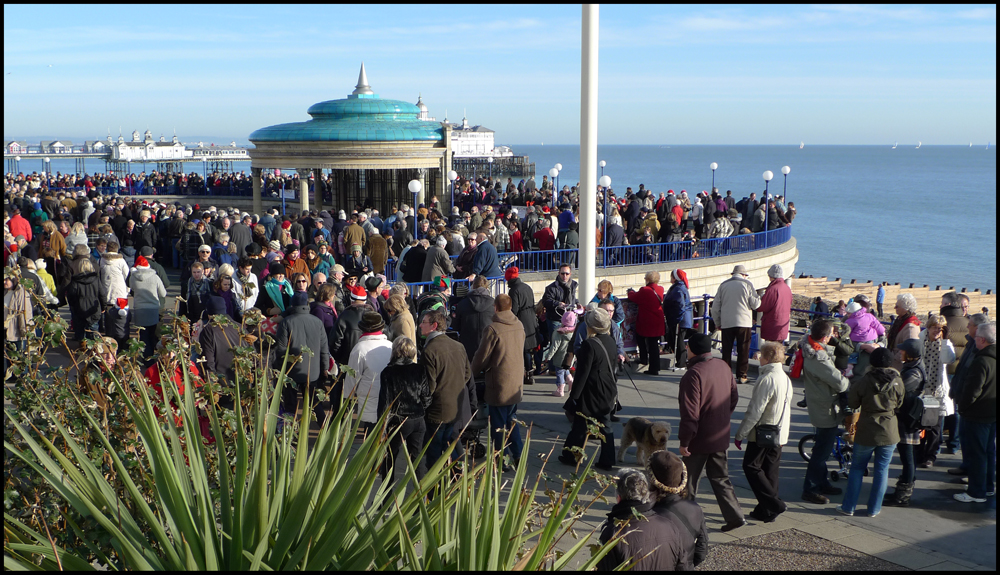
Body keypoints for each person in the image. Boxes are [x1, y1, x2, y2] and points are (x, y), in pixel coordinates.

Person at [677, 333, 746, 531]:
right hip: (720, 435)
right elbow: (733, 398)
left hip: (699, 438)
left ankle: (685, 521)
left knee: (688, 481)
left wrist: (684, 441)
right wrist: (721, 418)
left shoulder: (693, 374)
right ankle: (735, 517)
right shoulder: (723, 366)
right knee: (721, 478)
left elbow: (690, 413)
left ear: (692, 349)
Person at [837, 348, 905, 518]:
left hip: (867, 427)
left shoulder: (864, 381)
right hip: (889, 429)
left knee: (857, 469)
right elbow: (900, 403)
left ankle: (849, 506)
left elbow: (853, 402)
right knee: (882, 470)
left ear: (872, 362)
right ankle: (874, 509)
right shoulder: (898, 381)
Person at [735, 342, 793, 523]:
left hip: (764, 431)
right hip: (779, 432)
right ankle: (766, 510)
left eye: (761, 355)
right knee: (770, 470)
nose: (759, 358)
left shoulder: (767, 379)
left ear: (767, 358)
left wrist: (740, 434)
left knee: (751, 466)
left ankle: (774, 504)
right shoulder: (784, 376)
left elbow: (755, 411)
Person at [558, 308, 618, 471]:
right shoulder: (611, 341)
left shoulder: (589, 344)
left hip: (591, 390)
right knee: (606, 426)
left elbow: (582, 374)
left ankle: (572, 456)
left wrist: (574, 397)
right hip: (608, 388)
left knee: (580, 424)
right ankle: (608, 460)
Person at [799, 319, 851, 505]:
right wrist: (847, 382)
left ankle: (821, 482)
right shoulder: (818, 357)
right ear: (826, 337)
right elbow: (839, 382)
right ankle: (810, 488)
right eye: (832, 334)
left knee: (822, 446)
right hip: (825, 407)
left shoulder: (810, 350)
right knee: (821, 451)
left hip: (820, 403)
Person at [471, 294, 526, 467]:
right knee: (511, 420)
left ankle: (502, 460)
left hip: (499, 382)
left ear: (495, 307)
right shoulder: (519, 325)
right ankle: (518, 455)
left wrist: (472, 371)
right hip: (515, 381)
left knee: (498, 425)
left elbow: (482, 356)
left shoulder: (493, 329)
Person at [420, 309, 473, 465]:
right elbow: (467, 374)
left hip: (437, 409)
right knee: (451, 441)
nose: (420, 325)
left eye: (424, 322)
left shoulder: (430, 350)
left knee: (435, 449)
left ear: (434, 325)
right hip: (456, 404)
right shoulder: (458, 346)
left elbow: (429, 384)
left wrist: (423, 404)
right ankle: (457, 473)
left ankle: (434, 483)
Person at [377, 336, 432, 484]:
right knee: (417, 460)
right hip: (418, 419)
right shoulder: (420, 369)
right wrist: (419, 409)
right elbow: (427, 397)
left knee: (390, 459)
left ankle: (385, 499)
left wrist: (380, 428)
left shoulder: (388, 372)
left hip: (398, 421)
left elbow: (385, 403)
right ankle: (419, 501)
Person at [272, 291, 332, 425]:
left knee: (290, 406)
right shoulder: (317, 322)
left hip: (291, 371)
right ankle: (325, 430)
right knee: (315, 404)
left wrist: (280, 370)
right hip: (313, 371)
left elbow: (281, 350)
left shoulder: (286, 322)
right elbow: (324, 349)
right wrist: (325, 368)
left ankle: (290, 436)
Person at [953, 321, 995, 504]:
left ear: (983, 340)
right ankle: (987, 486)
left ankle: (976, 492)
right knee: (988, 451)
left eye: (976, 337)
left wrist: (962, 406)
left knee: (977, 453)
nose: (974, 339)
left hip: (977, 414)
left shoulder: (982, 361)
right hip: (992, 414)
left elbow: (973, 390)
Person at [947, 313, 989, 467]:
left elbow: (975, 378)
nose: (967, 326)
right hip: (961, 393)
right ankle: (966, 466)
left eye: (970, 324)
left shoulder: (979, 348)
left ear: (977, 328)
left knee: (974, 439)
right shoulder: (971, 342)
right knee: (965, 435)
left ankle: (971, 472)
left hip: (970, 401)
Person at [914, 314, 955, 469]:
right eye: (935, 328)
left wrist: (944, 341)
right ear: (929, 327)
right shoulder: (921, 340)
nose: (937, 331)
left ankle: (930, 456)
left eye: (941, 329)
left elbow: (948, 359)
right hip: (922, 389)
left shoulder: (945, 343)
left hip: (937, 390)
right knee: (919, 423)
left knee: (935, 426)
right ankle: (918, 453)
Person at [711, 264, 761, 384]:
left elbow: (715, 307)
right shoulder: (747, 284)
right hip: (744, 322)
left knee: (727, 350)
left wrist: (718, 322)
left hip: (727, 322)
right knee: (743, 349)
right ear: (744, 275)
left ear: (733, 274)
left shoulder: (723, 285)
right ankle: (742, 375)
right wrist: (758, 298)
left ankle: (726, 375)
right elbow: (755, 304)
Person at [344, 312, 393, 434]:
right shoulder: (390, 346)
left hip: (369, 398)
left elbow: (352, 377)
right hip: (389, 397)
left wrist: (346, 398)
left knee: (370, 434)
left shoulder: (359, 349)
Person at [626, 271, 666, 376]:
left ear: (647, 280)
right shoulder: (660, 289)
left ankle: (652, 367)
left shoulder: (645, 290)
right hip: (658, 320)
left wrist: (630, 292)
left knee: (646, 341)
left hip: (648, 322)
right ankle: (649, 362)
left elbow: (633, 298)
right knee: (653, 344)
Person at [129, 255, 166, 363]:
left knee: (143, 336)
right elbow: (163, 293)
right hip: (153, 309)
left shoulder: (133, 277)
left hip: (139, 309)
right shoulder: (155, 277)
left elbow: (131, 289)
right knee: (152, 334)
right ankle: (154, 357)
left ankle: (146, 358)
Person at [199, 295, 242, 387]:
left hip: (222, 384)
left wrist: (212, 385)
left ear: (209, 314)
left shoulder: (209, 330)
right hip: (241, 381)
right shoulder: (239, 327)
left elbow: (208, 361)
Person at [505, 266, 538, 386]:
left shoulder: (514, 290)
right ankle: (531, 372)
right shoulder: (527, 287)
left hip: (522, 320)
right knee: (528, 349)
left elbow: (514, 309)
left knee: (523, 349)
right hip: (531, 319)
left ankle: (527, 374)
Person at [451, 275, 495, 361]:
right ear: (487, 288)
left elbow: (456, 326)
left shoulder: (463, 303)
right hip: (488, 344)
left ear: (473, 286)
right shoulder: (493, 303)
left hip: (467, 344)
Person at [663, 269, 694, 371]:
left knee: (679, 340)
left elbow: (680, 305)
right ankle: (681, 361)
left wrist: (677, 318)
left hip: (680, 319)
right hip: (680, 318)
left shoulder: (678, 289)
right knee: (675, 339)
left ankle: (681, 363)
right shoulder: (679, 287)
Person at [66, 258, 102, 341]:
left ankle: (82, 348)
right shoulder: (96, 279)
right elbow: (102, 294)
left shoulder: (75, 280)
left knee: (80, 332)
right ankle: (94, 349)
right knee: (94, 331)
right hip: (93, 308)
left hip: (79, 308)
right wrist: (103, 306)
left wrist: (73, 305)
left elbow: (71, 294)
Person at [757, 264, 792, 345]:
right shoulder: (787, 288)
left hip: (772, 325)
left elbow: (762, 307)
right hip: (783, 326)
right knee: (778, 351)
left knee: (770, 352)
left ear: (772, 276)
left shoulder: (773, 289)